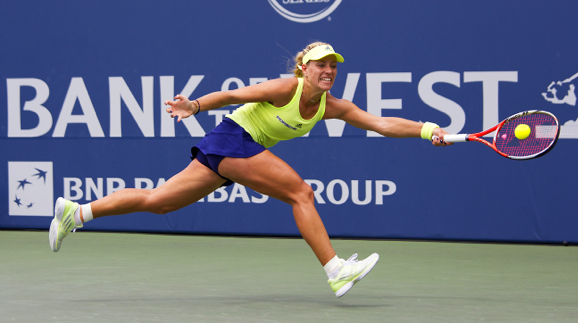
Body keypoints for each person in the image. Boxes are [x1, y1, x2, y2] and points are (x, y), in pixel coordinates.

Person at [49, 42, 450, 298]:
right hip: (232, 138)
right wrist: (195, 107)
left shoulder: (332, 106)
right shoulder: (285, 89)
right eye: (320, 64)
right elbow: (234, 94)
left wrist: (428, 129)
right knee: (301, 192)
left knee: (159, 202)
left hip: (232, 149)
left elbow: (380, 123)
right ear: (303, 70)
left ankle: (77, 212)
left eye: (333, 65)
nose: (328, 69)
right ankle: (336, 270)